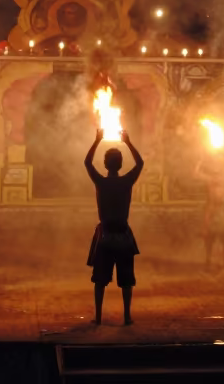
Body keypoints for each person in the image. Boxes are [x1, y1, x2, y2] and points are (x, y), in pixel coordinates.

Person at [84, 129, 144, 326]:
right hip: (123, 235)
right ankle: (127, 317)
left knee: (100, 280)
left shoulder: (101, 182)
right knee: (126, 280)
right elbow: (140, 163)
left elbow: (87, 163)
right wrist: (128, 142)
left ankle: (99, 318)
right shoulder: (126, 181)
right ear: (120, 164)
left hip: (106, 236)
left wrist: (97, 141)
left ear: (104, 164)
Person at [195, 150, 224, 272]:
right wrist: (201, 160)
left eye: (220, 163)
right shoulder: (212, 179)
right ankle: (208, 262)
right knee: (209, 239)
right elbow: (195, 173)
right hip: (213, 211)